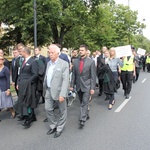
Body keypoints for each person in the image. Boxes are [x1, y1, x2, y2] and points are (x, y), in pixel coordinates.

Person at [43, 44, 69, 138]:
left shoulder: (64, 64)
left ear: (58, 53)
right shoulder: (49, 63)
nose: (50, 54)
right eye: (49, 52)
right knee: (48, 108)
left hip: (59, 91)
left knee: (62, 111)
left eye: (52, 52)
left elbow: (66, 80)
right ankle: (53, 125)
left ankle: (60, 128)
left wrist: (62, 94)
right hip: (49, 90)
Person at [70, 44, 96, 129]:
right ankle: (86, 114)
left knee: (85, 102)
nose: (80, 51)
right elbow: (74, 74)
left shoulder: (91, 62)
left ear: (86, 51)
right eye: (79, 50)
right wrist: (71, 85)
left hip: (87, 85)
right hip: (78, 85)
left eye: (82, 50)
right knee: (82, 102)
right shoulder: (75, 61)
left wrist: (92, 88)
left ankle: (82, 119)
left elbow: (93, 76)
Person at [16, 47, 38, 128]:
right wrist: (18, 83)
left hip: (29, 85)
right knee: (23, 99)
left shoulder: (33, 62)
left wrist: (27, 82)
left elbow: (35, 74)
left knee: (29, 100)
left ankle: (30, 117)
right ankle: (29, 115)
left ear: (25, 52)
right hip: (22, 84)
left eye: (21, 51)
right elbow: (20, 73)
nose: (20, 52)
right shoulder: (23, 61)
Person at [0, 55, 16, 120]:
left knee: (8, 102)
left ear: (3, 60)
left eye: (1, 59)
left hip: (4, 87)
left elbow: (8, 79)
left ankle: (13, 111)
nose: (0, 60)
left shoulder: (5, 69)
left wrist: (8, 89)